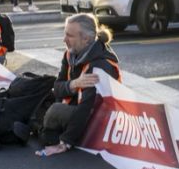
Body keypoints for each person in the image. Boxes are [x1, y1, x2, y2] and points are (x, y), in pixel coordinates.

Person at [35, 13, 120, 157]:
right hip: (75, 107)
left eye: (70, 36)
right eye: (65, 34)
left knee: (54, 112)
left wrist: (65, 143)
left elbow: (88, 108)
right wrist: (74, 84)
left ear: (86, 39)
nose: (64, 39)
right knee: (40, 95)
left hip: (98, 120)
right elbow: (57, 88)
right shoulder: (70, 54)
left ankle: (52, 133)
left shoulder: (99, 65)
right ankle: (44, 128)